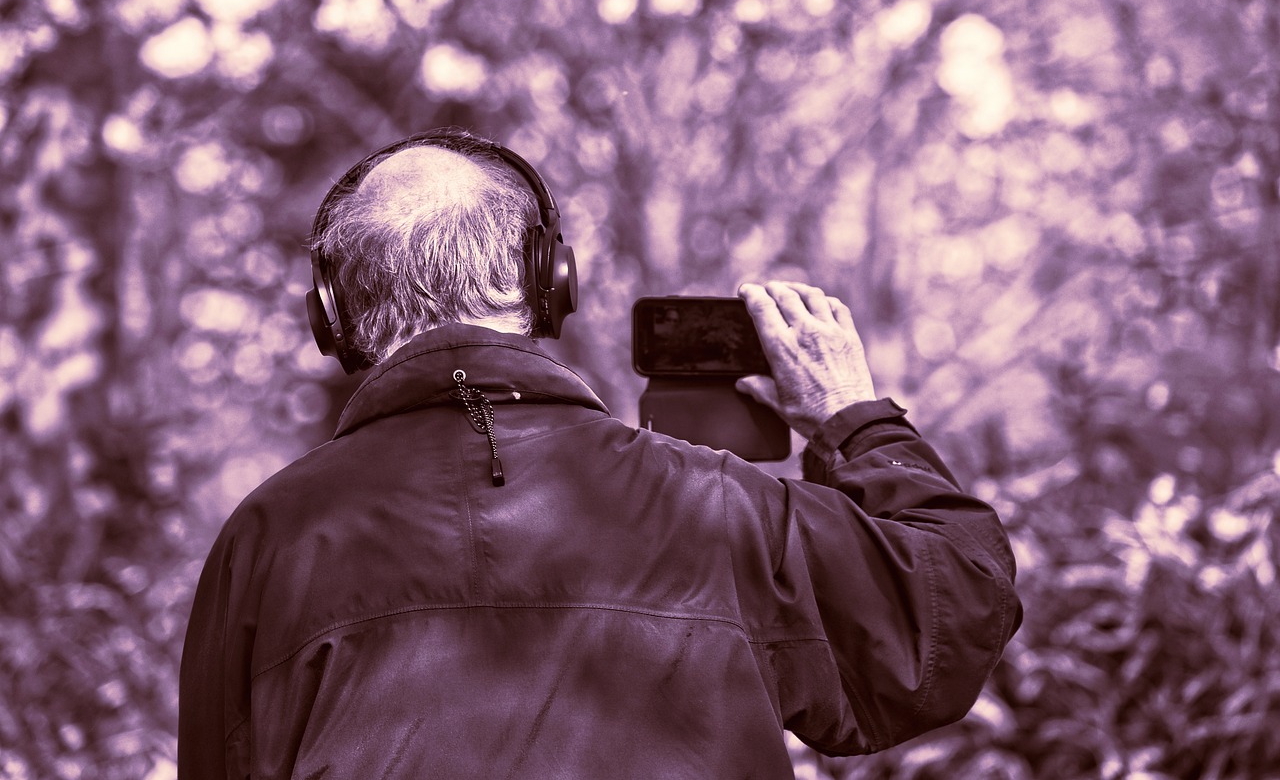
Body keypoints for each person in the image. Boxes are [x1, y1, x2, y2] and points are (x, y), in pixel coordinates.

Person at [178, 129, 1021, 779]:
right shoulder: (714, 506)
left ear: (333, 314)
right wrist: (852, 418)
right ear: (552, 280)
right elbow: (950, 615)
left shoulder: (269, 535)